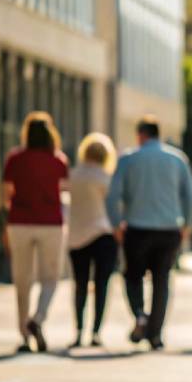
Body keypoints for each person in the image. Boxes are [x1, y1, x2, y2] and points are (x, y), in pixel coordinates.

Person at [106, 116, 192, 351]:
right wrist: (187, 223)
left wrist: (116, 224)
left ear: (141, 135)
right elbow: (190, 195)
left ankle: (139, 314)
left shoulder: (128, 159)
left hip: (137, 229)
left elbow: (112, 195)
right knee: (161, 281)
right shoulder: (177, 160)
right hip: (169, 230)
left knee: (132, 276)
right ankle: (155, 334)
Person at [2, 112, 70, 353]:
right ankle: (38, 319)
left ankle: (23, 334)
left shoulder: (15, 159)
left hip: (19, 222)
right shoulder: (59, 160)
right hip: (51, 223)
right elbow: (63, 191)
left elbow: (7, 194)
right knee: (50, 278)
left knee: (22, 280)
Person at [67, 133, 118, 348]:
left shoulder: (72, 176)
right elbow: (115, 207)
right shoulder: (106, 178)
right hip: (103, 234)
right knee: (101, 285)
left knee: (79, 284)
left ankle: (78, 330)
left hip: (76, 236)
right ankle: (96, 331)